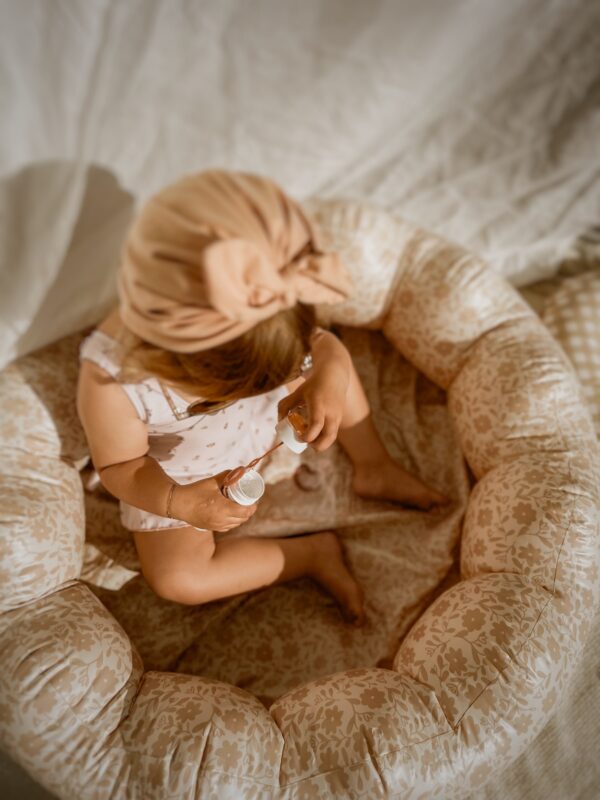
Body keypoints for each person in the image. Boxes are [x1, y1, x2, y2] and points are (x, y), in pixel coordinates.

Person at [77, 169, 447, 627]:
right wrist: (179, 502)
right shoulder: (111, 378)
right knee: (178, 580)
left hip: (272, 413)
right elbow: (120, 467)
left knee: (338, 368)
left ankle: (373, 463)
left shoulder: (266, 303)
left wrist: (327, 374)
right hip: (183, 470)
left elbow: (322, 343)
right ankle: (310, 555)